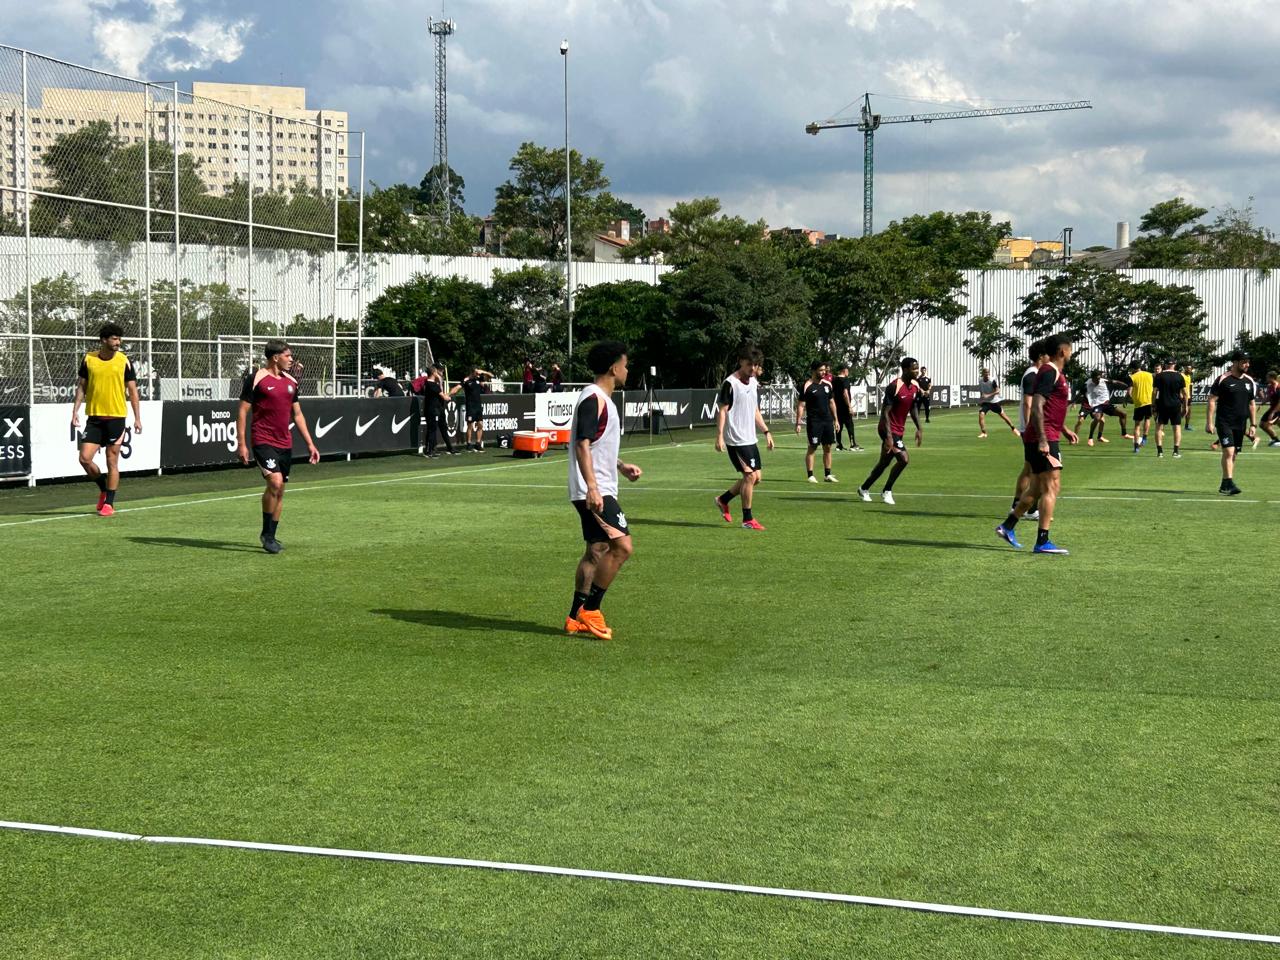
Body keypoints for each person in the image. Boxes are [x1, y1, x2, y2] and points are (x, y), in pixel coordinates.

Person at [565, 341, 643, 640]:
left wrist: (620, 465)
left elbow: (595, 445)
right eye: (625, 364)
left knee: (596, 550)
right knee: (622, 547)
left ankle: (574, 617)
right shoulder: (593, 398)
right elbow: (581, 444)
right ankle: (591, 610)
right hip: (594, 491)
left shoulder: (602, 401)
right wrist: (594, 488)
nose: (627, 369)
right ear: (614, 367)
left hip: (596, 486)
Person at [236, 339, 320, 554]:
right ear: (275, 357)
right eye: (288, 355)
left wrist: (311, 444)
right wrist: (242, 443)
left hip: (285, 442)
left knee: (280, 490)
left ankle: (270, 535)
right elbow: (243, 411)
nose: (291, 360)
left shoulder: (291, 382)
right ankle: (266, 534)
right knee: (275, 482)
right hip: (263, 439)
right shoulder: (256, 379)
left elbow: (298, 414)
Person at [996, 333, 1077, 555]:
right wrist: (1043, 439)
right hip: (1043, 438)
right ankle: (1042, 541)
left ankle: (1007, 526)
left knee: (1039, 487)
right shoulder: (1050, 371)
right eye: (1070, 349)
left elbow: (1050, 408)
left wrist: (1064, 429)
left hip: (1046, 434)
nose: (1071, 352)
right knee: (1052, 486)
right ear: (1062, 351)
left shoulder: (1053, 372)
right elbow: (1038, 406)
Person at [70, 322, 143, 517]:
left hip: (116, 418)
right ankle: (103, 488)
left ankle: (109, 503)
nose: (118, 342)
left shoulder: (123, 361)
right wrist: (75, 411)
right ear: (104, 340)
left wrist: (137, 418)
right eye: (114, 339)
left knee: (112, 461)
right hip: (94, 418)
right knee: (84, 458)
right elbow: (82, 387)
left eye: (119, 339)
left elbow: (133, 391)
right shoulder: (89, 359)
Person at [714, 346, 775, 531]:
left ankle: (723, 500)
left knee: (756, 478)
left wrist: (766, 432)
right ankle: (747, 519)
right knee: (749, 476)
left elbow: (755, 410)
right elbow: (722, 411)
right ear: (741, 361)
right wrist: (719, 436)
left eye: (755, 365)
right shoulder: (730, 384)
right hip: (736, 440)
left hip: (750, 438)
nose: (752, 368)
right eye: (749, 364)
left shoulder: (754, 382)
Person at [857, 357, 922, 506]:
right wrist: (888, 437)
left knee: (884, 463)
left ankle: (864, 488)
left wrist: (919, 428)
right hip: (887, 428)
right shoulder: (894, 386)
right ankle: (887, 491)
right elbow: (885, 413)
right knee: (903, 459)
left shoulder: (914, 386)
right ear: (905, 370)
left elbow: (913, 408)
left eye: (917, 368)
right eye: (914, 368)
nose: (917, 371)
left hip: (899, 430)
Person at [1205, 352, 1257, 496]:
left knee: (1234, 454)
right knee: (1228, 451)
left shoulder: (1248, 381)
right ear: (1235, 362)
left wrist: (1253, 425)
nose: (1247, 364)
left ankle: (1225, 484)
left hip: (1241, 424)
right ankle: (1229, 482)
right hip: (1224, 422)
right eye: (1244, 362)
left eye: (1248, 362)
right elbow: (1212, 400)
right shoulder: (1223, 379)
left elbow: (1252, 404)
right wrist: (1209, 422)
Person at [1008, 339, 1050, 520]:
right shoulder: (1032, 375)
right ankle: (1026, 508)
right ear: (1041, 356)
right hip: (1030, 431)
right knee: (1034, 470)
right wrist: (1028, 429)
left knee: (1029, 468)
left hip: (1030, 430)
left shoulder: (1035, 373)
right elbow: (1027, 402)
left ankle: (1020, 506)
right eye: (1048, 353)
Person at [795, 360, 838, 483]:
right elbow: (801, 405)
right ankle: (810, 475)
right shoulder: (807, 385)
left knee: (828, 447)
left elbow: (831, 402)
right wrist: (798, 422)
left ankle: (827, 474)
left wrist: (836, 419)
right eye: (821, 370)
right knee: (812, 447)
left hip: (827, 420)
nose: (823, 372)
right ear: (813, 371)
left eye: (824, 370)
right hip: (814, 422)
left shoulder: (827, 385)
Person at [1076, 370, 1130, 446]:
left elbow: (1115, 382)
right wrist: (1072, 402)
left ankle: (1124, 434)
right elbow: (1080, 393)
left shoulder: (1103, 380)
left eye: (1099, 378)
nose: (1099, 380)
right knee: (1097, 418)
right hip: (1096, 405)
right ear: (1092, 378)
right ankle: (1090, 438)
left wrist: (1126, 385)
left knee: (1123, 414)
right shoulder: (1087, 384)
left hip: (1106, 404)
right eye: (1097, 379)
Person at [1153, 359, 1189, 458]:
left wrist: (1153, 405)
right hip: (1175, 405)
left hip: (1162, 404)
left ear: (1165, 365)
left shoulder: (1159, 376)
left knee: (1159, 428)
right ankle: (1175, 452)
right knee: (1176, 428)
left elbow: (1154, 392)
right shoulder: (1179, 376)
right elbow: (1185, 394)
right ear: (1174, 365)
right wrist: (1185, 407)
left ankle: (1160, 452)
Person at [451, 366, 492, 451]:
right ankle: (469, 444)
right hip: (470, 406)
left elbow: (491, 376)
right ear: (472, 372)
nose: (477, 375)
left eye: (478, 373)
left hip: (478, 406)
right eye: (476, 373)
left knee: (480, 425)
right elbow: (457, 388)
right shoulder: (466, 380)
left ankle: (478, 443)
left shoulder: (479, 378)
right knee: (470, 426)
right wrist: (449, 394)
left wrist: (483, 372)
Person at [421, 364, 456, 457]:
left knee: (435, 429)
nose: (439, 374)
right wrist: (449, 395)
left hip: (435, 409)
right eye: (436, 372)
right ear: (433, 373)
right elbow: (444, 397)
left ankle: (432, 450)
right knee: (432, 430)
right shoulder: (431, 384)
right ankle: (429, 451)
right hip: (432, 410)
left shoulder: (431, 384)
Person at [976, 368, 1018, 437]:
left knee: (1003, 416)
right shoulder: (980, 381)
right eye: (985, 372)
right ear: (982, 373)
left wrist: (988, 395)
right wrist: (981, 398)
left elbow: (998, 391)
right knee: (981, 415)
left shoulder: (992, 381)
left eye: (988, 372)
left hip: (994, 402)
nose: (987, 374)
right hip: (986, 402)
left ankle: (1013, 428)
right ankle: (984, 433)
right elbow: (982, 391)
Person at [832, 363, 862, 451]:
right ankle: (853, 444)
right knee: (850, 425)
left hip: (837, 407)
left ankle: (839, 445)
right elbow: (845, 393)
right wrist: (849, 406)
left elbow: (833, 394)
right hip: (844, 407)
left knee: (839, 425)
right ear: (844, 370)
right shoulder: (845, 380)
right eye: (847, 370)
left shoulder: (834, 380)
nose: (848, 372)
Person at [1128, 360, 1154, 452]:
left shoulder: (1132, 377)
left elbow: (1129, 392)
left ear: (1133, 368)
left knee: (1137, 425)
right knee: (1147, 419)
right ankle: (1145, 437)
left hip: (1138, 403)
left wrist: (1129, 399)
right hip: (1148, 401)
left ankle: (1136, 447)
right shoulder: (1149, 375)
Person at [1259, 370, 1280, 447]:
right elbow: (1268, 397)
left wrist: (1273, 412)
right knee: (1262, 425)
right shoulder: (1269, 386)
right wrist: (1262, 404)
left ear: (1272, 378)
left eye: (1267, 377)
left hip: (1277, 408)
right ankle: (1274, 439)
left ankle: (1276, 440)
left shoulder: (1278, 387)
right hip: (1272, 407)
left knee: (1267, 425)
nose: (1266, 378)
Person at [1182, 364, 1195, 431]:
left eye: (1190, 368)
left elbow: (1190, 387)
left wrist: (1190, 396)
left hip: (1188, 397)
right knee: (1182, 411)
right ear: (1185, 368)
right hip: (1181, 396)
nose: (1189, 369)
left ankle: (1186, 426)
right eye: (1187, 368)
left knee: (1189, 412)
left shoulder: (1189, 376)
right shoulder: (1182, 375)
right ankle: (1176, 423)